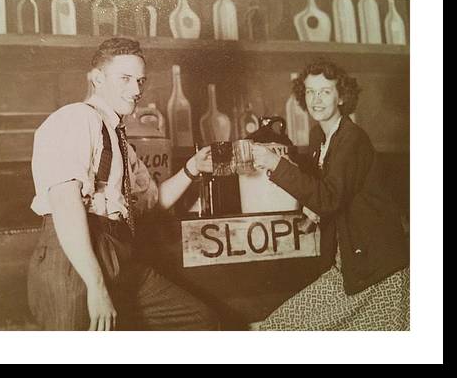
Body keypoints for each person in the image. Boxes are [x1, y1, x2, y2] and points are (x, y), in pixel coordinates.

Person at [27, 37, 219, 331]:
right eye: (125, 79)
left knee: (199, 320)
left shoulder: (120, 141)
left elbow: (150, 203)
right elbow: (65, 202)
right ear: (98, 79)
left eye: (140, 80)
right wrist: (96, 284)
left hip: (117, 253)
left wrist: (192, 169)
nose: (136, 90)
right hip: (74, 258)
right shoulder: (75, 119)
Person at [249, 59, 409, 331]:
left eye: (325, 91)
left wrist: (276, 164)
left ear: (342, 96)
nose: (316, 99)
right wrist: (312, 212)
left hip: (380, 273)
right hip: (351, 266)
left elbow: (329, 197)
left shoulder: (352, 139)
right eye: (310, 92)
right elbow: (333, 194)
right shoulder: (320, 137)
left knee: (277, 329)